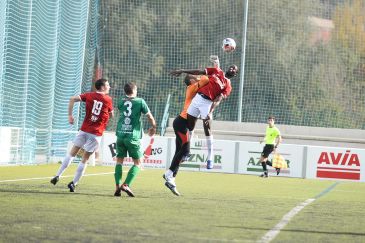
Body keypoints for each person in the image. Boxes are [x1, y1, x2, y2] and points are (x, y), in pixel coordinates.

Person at [170, 64, 239, 169]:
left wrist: (211, 109)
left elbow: (219, 98)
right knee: (190, 126)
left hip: (208, 103)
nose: (232, 68)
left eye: (235, 69)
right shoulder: (217, 71)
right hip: (198, 98)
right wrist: (183, 70)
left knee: (207, 128)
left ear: (235, 74)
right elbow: (199, 71)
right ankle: (187, 152)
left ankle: (210, 158)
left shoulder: (228, 85)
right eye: (232, 66)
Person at [50, 78, 114, 192]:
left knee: (72, 153)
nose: (109, 87)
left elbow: (72, 98)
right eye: (108, 85)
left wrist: (70, 115)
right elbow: (112, 115)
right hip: (96, 134)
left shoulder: (89, 95)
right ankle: (73, 183)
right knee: (84, 159)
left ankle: (57, 175)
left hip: (84, 130)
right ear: (103, 87)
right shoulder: (108, 99)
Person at [163, 74, 209, 196]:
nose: (197, 78)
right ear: (191, 80)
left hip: (184, 124)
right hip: (181, 123)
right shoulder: (192, 87)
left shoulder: (195, 90)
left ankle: (171, 179)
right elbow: (206, 79)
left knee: (180, 152)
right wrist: (200, 76)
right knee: (185, 152)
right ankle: (169, 174)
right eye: (194, 77)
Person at [113, 82, 156, 197]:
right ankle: (126, 184)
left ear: (125, 91)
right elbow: (150, 117)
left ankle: (117, 186)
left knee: (119, 161)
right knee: (138, 163)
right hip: (133, 137)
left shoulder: (121, 101)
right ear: (135, 90)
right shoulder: (140, 101)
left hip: (121, 135)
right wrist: (153, 127)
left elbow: (122, 111)